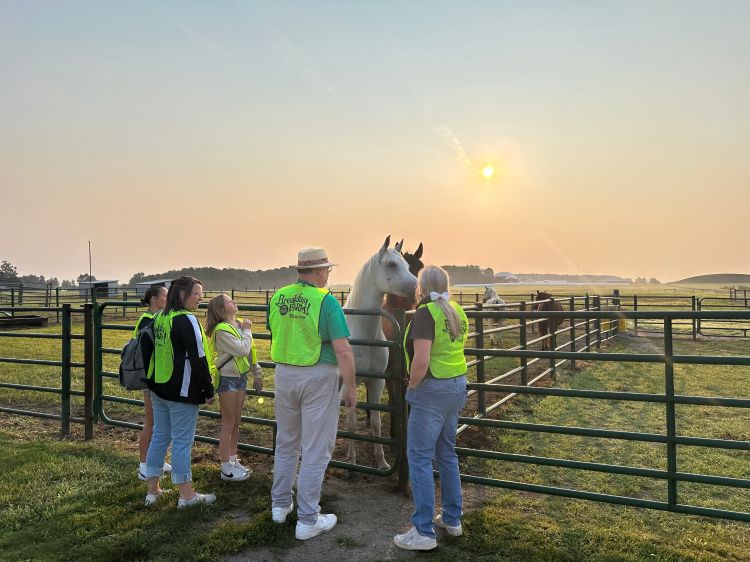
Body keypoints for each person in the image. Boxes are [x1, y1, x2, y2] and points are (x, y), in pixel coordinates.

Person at [267, 248, 357, 540]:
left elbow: (277, 331)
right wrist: (352, 386)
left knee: (287, 442)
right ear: (320, 271)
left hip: (284, 374)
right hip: (318, 376)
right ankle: (308, 518)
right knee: (316, 448)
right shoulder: (326, 301)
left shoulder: (278, 297)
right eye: (327, 270)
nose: (328, 275)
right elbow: (343, 349)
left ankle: (280, 505)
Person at [394, 265, 469, 551]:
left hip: (431, 389)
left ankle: (423, 531)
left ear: (420, 288)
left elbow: (421, 361)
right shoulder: (457, 311)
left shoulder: (425, 313)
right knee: (447, 454)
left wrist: (412, 387)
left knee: (420, 458)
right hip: (456, 386)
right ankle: (452, 519)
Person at [144, 276, 216, 508]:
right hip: (181, 392)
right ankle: (186, 496)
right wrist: (207, 388)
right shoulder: (187, 319)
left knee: (160, 436)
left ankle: (152, 492)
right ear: (182, 295)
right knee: (182, 442)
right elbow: (199, 356)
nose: (200, 298)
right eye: (197, 294)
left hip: (159, 388)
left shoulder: (160, 317)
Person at [205, 293, 263, 482]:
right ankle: (225, 467)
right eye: (230, 301)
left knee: (236, 422)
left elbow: (250, 352)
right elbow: (242, 349)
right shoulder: (222, 330)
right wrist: (247, 330)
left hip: (240, 378)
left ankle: (232, 459)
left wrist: (257, 372)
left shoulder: (237, 325)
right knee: (228, 423)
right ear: (222, 309)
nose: (234, 302)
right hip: (228, 379)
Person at [135, 285, 172, 481]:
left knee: (160, 423)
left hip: (158, 376)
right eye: (165, 295)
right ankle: (143, 465)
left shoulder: (158, 319)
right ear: (153, 299)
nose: (168, 298)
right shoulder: (147, 321)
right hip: (150, 378)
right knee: (151, 421)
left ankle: (156, 460)